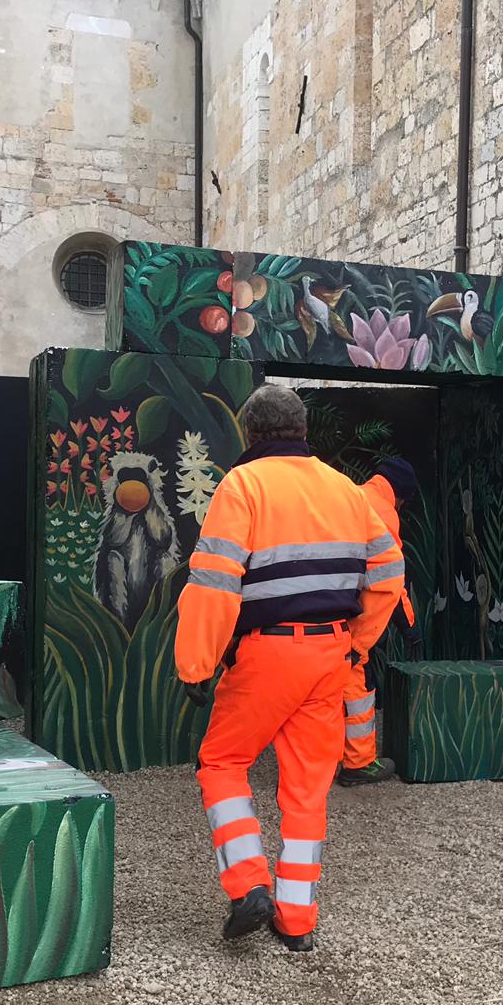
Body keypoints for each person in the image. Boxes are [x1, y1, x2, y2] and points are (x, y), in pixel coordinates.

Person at [174, 385, 405, 952]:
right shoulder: (347, 491)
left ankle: (249, 882)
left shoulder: (243, 485)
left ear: (251, 433)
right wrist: (356, 645)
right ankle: (297, 920)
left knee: (222, 763)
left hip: (266, 652)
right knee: (307, 790)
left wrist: (196, 665)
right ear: (305, 431)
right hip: (330, 655)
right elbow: (389, 574)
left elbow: (215, 580)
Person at [337, 456, 419, 787]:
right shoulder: (384, 513)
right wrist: (411, 628)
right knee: (358, 688)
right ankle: (358, 763)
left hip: (320, 612)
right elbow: (389, 579)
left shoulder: (348, 496)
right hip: (352, 623)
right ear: (400, 495)